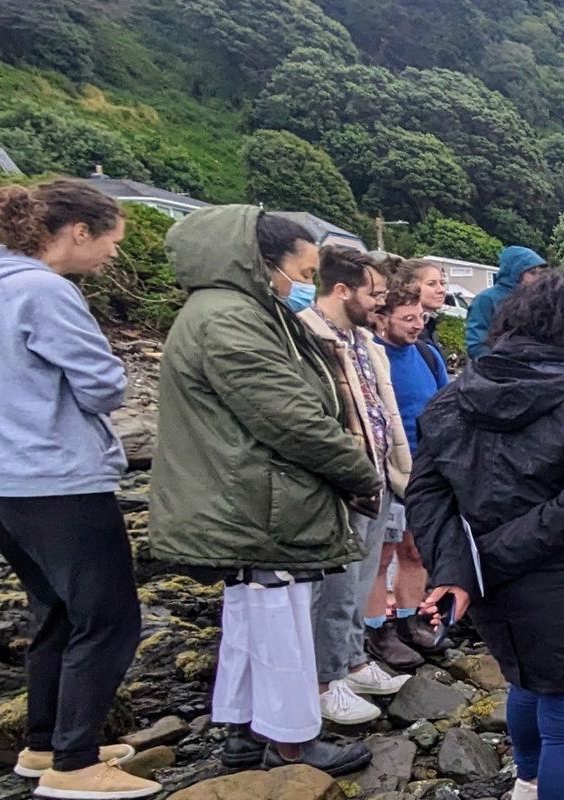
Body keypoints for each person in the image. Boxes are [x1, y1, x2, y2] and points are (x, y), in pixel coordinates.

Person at [0, 181, 158, 799]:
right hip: (56, 478)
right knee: (110, 619)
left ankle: (45, 743)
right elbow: (103, 387)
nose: (113, 256)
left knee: (55, 610)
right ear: (78, 232)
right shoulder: (45, 290)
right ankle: (76, 763)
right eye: (111, 242)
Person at [149, 206, 377, 776]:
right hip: (257, 500)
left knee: (254, 618)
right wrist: (359, 471)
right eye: (301, 273)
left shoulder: (234, 311)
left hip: (248, 495)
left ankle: (247, 735)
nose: (305, 285)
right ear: (259, 262)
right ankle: (292, 742)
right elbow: (291, 418)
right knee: (280, 624)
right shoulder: (231, 320)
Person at [407, 271, 564, 800]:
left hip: (490, 587)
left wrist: (460, 568)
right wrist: (483, 561)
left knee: (526, 677)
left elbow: (425, 495)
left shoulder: (453, 399)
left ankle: (526, 784)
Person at [297, 248, 419, 722]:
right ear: (342, 290)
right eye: (374, 294)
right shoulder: (307, 336)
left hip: (376, 475)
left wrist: (396, 470)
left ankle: (352, 660)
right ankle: (325, 679)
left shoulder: (363, 341)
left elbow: (381, 411)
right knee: (334, 585)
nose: (380, 304)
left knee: (361, 579)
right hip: (340, 481)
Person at [368, 282, 449, 657]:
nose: (417, 325)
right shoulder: (368, 357)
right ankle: (376, 630)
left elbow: (447, 406)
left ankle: (408, 621)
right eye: (407, 319)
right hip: (384, 471)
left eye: (421, 317)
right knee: (380, 554)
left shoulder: (428, 355)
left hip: (425, 471)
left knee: (415, 551)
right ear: (381, 319)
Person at [464, 245, 547, 360]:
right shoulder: (486, 299)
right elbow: (476, 344)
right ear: (515, 272)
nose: (538, 278)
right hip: (496, 369)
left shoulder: (538, 299)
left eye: (540, 274)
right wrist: (495, 366)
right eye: (533, 273)